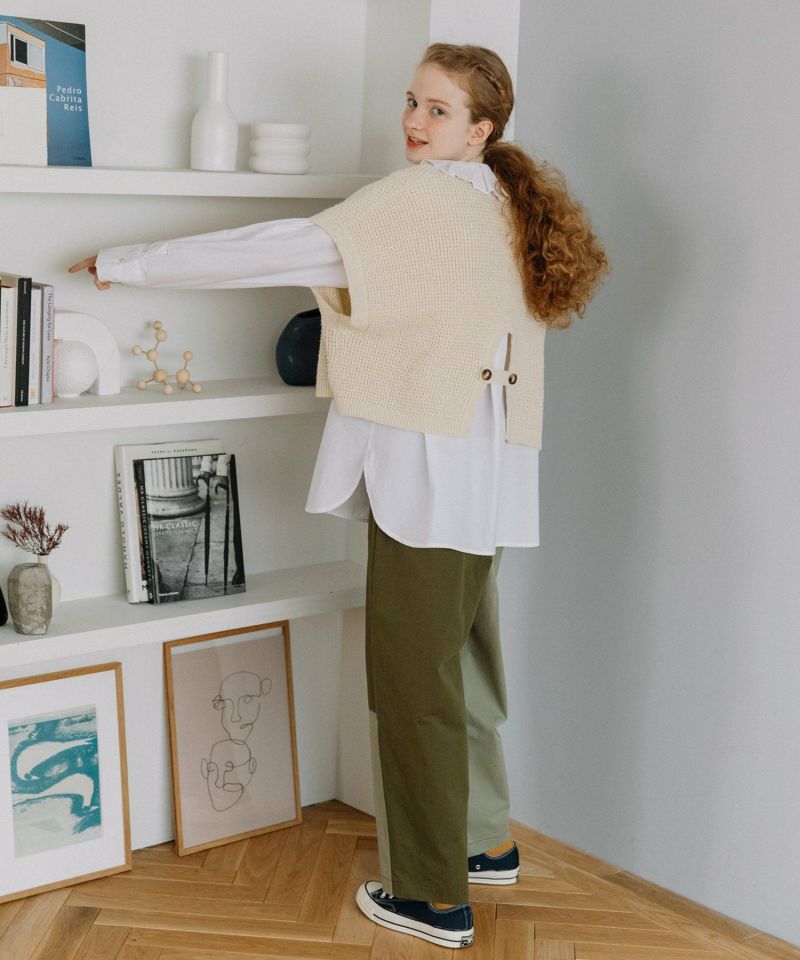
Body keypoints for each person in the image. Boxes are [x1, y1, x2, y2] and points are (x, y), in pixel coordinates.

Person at [69, 42, 610, 950]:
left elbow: (276, 248)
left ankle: (432, 898)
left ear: (480, 129)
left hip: (431, 479)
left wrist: (128, 261)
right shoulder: (504, 203)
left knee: (412, 685)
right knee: (464, 665)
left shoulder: (416, 199)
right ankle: (484, 842)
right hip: (492, 475)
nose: (414, 121)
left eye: (438, 109)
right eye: (412, 101)